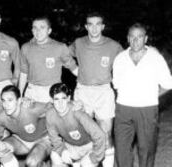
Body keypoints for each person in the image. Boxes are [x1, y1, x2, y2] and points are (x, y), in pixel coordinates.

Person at [113, 23, 172, 167]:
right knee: (121, 150)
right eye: (132, 37)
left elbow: (168, 84)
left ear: (145, 39)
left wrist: (152, 96)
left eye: (139, 37)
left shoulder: (155, 58)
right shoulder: (120, 58)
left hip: (147, 109)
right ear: (127, 38)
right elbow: (117, 85)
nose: (135, 41)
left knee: (146, 149)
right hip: (123, 109)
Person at [69, 12, 123, 166]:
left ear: (103, 26)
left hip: (103, 91)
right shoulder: (78, 43)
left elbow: (125, 62)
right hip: (83, 91)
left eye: (98, 24)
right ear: (86, 26)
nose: (94, 28)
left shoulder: (113, 46)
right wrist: (74, 69)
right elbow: (62, 54)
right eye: (90, 24)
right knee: (80, 132)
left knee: (105, 133)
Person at [0, 85, 53, 167]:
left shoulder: (30, 108)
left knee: (32, 162)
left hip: (43, 139)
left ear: (19, 101)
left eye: (10, 100)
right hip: (23, 141)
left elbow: (53, 108)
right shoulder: (1, 118)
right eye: (3, 100)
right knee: (0, 148)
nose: (6, 105)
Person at [19, 16, 77, 103]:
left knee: (52, 116)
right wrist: (19, 94)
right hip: (31, 91)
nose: (38, 31)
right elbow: (23, 73)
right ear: (32, 30)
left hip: (53, 91)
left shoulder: (60, 47)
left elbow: (74, 69)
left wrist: (89, 81)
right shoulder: (25, 48)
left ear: (49, 30)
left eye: (42, 27)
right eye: (35, 28)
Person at [47, 83, 106, 167]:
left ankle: (81, 163)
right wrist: (62, 150)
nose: (60, 103)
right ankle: (76, 164)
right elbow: (54, 139)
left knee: (86, 164)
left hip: (89, 146)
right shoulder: (50, 115)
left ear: (68, 99)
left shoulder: (77, 112)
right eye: (56, 99)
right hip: (72, 146)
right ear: (51, 100)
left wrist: (94, 157)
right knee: (55, 155)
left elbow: (100, 135)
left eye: (63, 98)